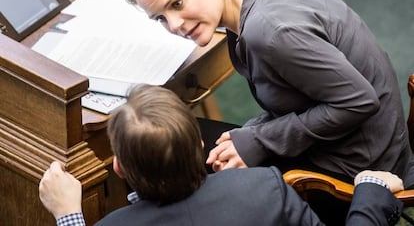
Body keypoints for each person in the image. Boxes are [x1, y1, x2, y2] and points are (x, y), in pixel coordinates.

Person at [122, 0, 414, 188]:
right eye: (160, 17)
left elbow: (359, 102)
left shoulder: (271, 32)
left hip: (357, 167)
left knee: (163, 158)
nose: (173, 25)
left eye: (177, 4)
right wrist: (253, 134)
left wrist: (260, 140)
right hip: (357, 142)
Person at [39, 84, 404, 226]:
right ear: (199, 145)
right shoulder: (265, 189)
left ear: (118, 167)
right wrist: (371, 188)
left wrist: (68, 215)